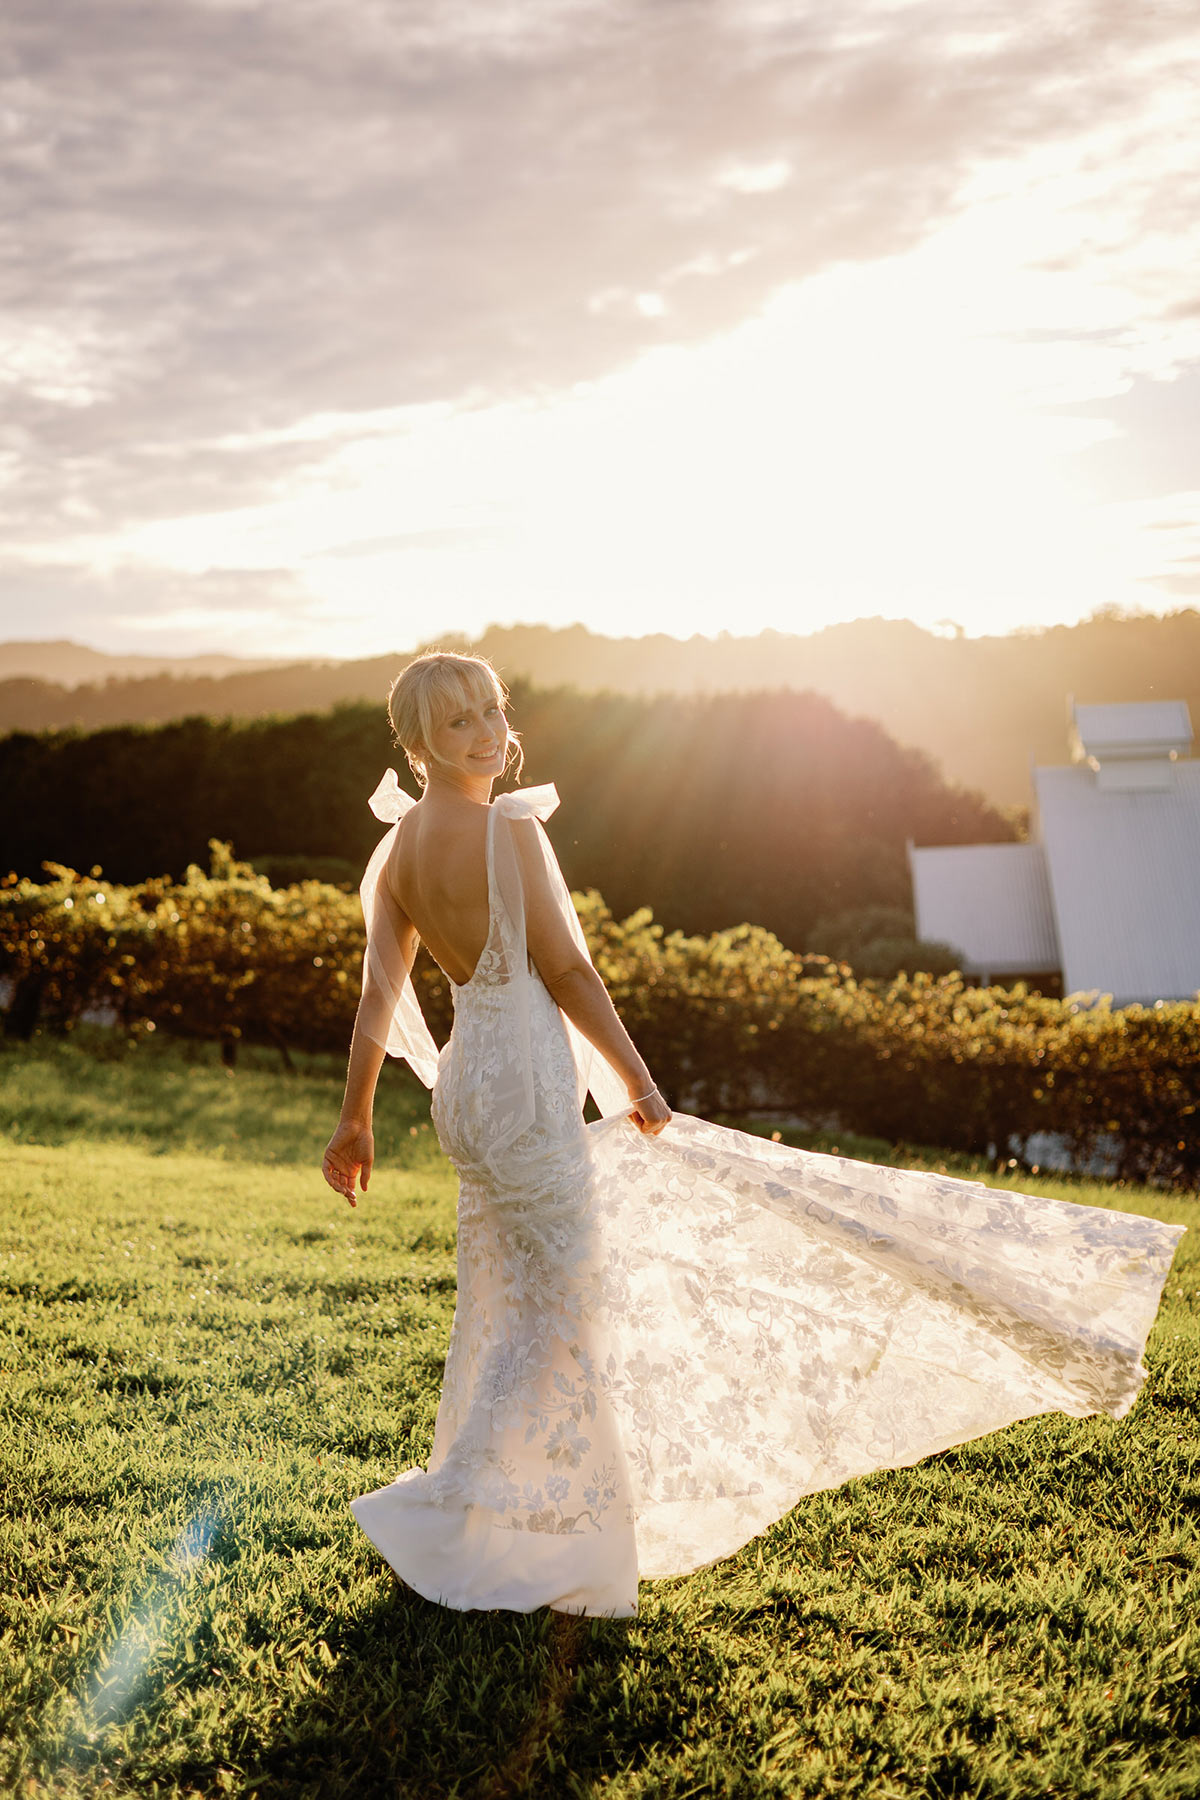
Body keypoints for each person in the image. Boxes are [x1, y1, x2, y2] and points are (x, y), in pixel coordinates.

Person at [322, 651, 1182, 1618]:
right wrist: (640, 1083)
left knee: (513, 1297)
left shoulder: (398, 853)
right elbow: (567, 974)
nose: (486, 733)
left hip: (469, 1096)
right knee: (560, 1305)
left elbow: (378, 1003)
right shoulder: (509, 833)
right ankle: (491, 1516)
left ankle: (489, 1501)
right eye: (459, 724)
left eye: (490, 711)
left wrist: (356, 1122)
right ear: (418, 742)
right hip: (520, 1078)